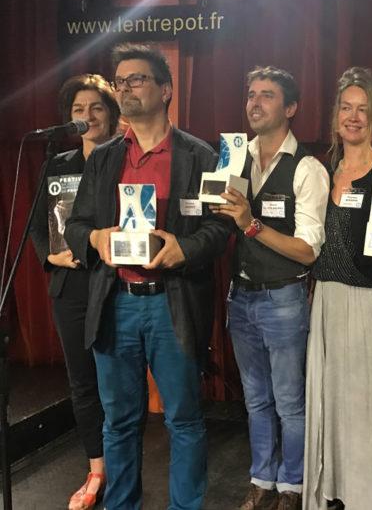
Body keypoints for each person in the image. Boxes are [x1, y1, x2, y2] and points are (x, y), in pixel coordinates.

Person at [64, 43, 231, 509]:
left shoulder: (201, 155)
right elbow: (76, 226)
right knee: (118, 422)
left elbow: (220, 228)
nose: (125, 89)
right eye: (120, 82)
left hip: (171, 303)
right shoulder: (103, 158)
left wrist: (184, 249)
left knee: (184, 419)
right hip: (115, 302)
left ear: (166, 90)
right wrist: (95, 238)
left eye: (136, 79)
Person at [212, 66, 329, 510]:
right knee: (256, 399)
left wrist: (251, 224)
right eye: (251, 94)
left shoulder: (307, 168)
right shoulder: (233, 157)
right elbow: (213, 218)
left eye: (267, 95)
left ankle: (292, 487)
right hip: (240, 296)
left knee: (289, 403)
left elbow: (308, 251)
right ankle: (262, 479)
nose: (254, 103)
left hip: (284, 298)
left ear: (291, 108)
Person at [303, 67, 372, 510]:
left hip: (370, 304)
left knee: (366, 407)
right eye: (346, 108)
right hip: (327, 301)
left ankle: (368, 498)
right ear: (335, 117)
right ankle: (334, 493)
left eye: (362, 110)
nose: (353, 117)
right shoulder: (322, 170)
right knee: (332, 405)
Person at [29, 73, 119, 510]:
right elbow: (37, 226)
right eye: (79, 109)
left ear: (112, 113)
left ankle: (123, 467)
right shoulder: (57, 164)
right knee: (83, 383)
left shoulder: (126, 160)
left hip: (115, 282)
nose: (88, 116)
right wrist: (52, 257)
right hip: (70, 286)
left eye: (96, 107)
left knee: (116, 384)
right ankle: (96, 470)